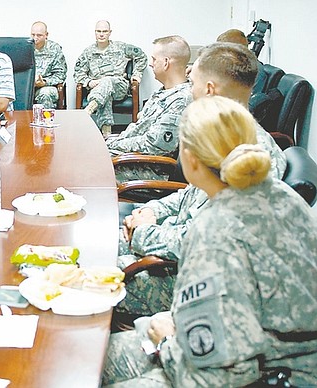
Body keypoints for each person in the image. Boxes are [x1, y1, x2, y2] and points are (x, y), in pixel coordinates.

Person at [103, 95, 317, 387]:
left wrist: (165, 339)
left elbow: (207, 378)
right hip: (276, 354)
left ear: (189, 158)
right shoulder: (279, 194)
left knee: (85, 368)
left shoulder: (214, 233)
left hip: (263, 375)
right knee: (94, 359)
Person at [115, 42, 287, 317]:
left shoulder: (254, 157)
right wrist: (150, 210)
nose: (188, 89)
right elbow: (189, 195)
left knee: (88, 276)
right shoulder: (224, 134)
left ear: (209, 90)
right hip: (165, 245)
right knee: (91, 243)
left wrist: (143, 231)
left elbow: (204, 246)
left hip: (186, 279)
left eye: (191, 82)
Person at [107, 35, 192, 183]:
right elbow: (138, 129)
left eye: (154, 59)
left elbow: (154, 145)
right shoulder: (164, 92)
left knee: (88, 169)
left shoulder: (181, 100)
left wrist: (112, 145)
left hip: (150, 170)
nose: (151, 64)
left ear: (166, 63)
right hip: (133, 159)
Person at [73, 20, 147, 137]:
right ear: (95, 33)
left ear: (110, 32)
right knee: (105, 93)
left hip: (119, 86)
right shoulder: (88, 53)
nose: (101, 34)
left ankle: (90, 108)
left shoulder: (121, 47)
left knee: (107, 81)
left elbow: (141, 56)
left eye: (105, 31)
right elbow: (78, 73)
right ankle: (106, 133)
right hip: (99, 89)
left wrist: (136, 75)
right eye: (99, 31)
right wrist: (89, 82)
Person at [30, 21, 67, 109]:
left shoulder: (55, 49)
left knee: (45, 94)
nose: (35, 38)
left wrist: (44, 82)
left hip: (47, 86)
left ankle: (46, 122)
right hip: (28, 87)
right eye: (33, 35)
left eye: (39, 35)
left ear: (46, 35)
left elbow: (60, 74)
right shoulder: (25, 47)